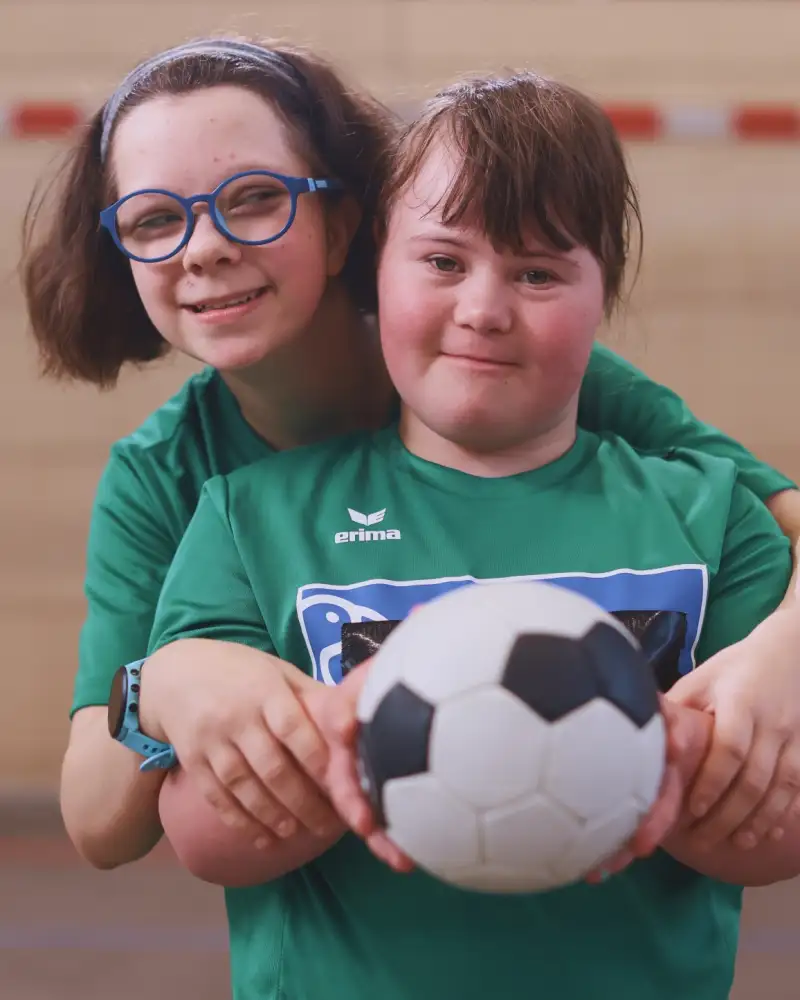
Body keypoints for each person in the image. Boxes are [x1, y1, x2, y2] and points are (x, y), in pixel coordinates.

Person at [19, 36, 800, 870]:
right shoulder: (170, 475)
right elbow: (101, 824)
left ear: (343, 223)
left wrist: (784, 652)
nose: (203, 246)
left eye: (253, 198)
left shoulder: (493, 366)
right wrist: (163, 686)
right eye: (155, 219)